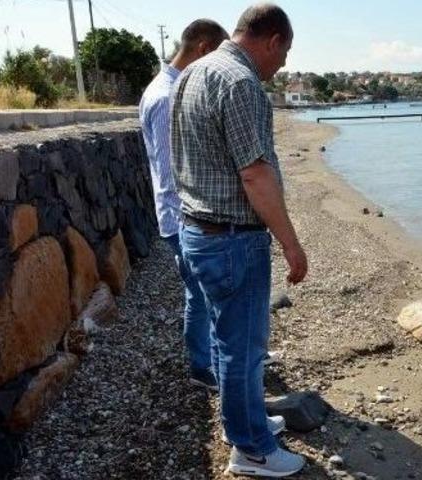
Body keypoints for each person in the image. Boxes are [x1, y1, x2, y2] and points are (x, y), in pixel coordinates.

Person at [171, 3, 307, 477]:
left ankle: (244, 423)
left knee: (226, 339)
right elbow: (254, 174)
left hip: (198, 231)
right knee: (242, 347)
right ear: (271, 40)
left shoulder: (194, 71)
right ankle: (251, 449)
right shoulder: (241, 82)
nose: (284, 63)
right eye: (285, 52)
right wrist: (290, 242)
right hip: (231, 239)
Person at [139, 19, 228, 390]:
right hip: (181, 217)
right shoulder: (165, 96)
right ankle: (201, 365)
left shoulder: (175, 89)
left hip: (185, 214)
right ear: (204, 49)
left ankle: (211, 356)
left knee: (204, 290)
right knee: (199, 291)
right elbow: (169, 168)